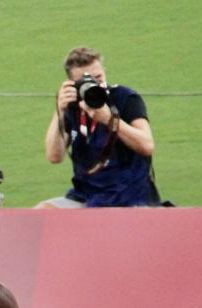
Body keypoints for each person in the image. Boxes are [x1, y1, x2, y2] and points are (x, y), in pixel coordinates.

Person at [38, 46, 158, 208]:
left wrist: (109, 120)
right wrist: (59, 111)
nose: (95, 84)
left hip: (129, 196)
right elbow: (54, 156)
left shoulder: (125, 98)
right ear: (72, 83)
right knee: (41, 212)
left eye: (99, 77)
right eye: (86, 81)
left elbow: (147, 145)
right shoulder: (72, 106)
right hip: (85, 196)